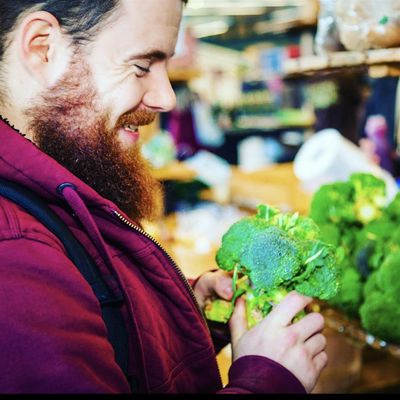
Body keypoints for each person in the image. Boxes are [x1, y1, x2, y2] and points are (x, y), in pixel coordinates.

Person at [0, 0, 328, 394]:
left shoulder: (49, 188)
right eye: (142, 66)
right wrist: (268, 381)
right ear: (42, 47)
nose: (166, 98)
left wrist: (182, 315)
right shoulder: (13, 254)